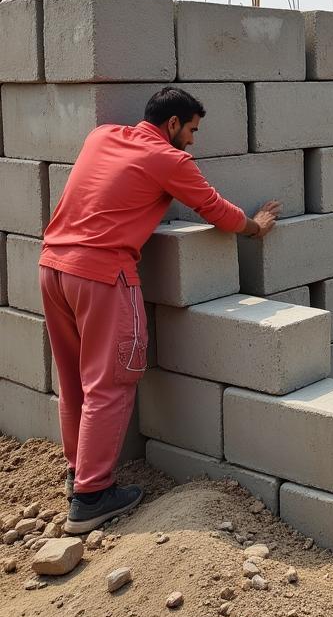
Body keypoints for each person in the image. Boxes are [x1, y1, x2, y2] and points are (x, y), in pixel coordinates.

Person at [39, 87, 281, 534]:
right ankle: (92, 497)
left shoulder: (102, 136)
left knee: (74, 380)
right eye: (191, 129)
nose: (193, 140)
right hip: (102, 276)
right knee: (111, 382)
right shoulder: (171, 161)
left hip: (53, 268)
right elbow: (215, 210)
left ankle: (78, 474)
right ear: (173, 124)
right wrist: (255, 227)